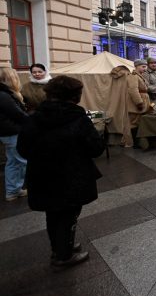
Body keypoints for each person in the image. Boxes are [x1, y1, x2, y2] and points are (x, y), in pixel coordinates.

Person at [17, 76, 104, 268]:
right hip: (71, 176)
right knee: (68, 214)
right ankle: (63, 256)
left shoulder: (34, 117)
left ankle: (60, 246)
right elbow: (95, 148)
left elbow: (22, 149)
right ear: (75, 96)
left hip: (42, 175)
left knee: (53, 213)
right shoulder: (78, 118)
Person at [0, 68, 29, 201]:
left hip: (7, 132)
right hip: (12, 132)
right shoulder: (4, 95)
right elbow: (17, 114)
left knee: (13, 162)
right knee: (21, 161)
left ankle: (13, 190)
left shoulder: (4, 94)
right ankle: (14, 190)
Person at [126, 59, 151, 148]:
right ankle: (136, 144)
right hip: (137, 104)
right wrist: (139, 103)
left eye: (145, 67)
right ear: (136, 66)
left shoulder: (139, 76)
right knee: (135, 122)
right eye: (143, 67)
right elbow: (133, 90)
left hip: (143, 101)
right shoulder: (133, 76)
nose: (145, 69)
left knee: (139, 122)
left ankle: (140, 142)